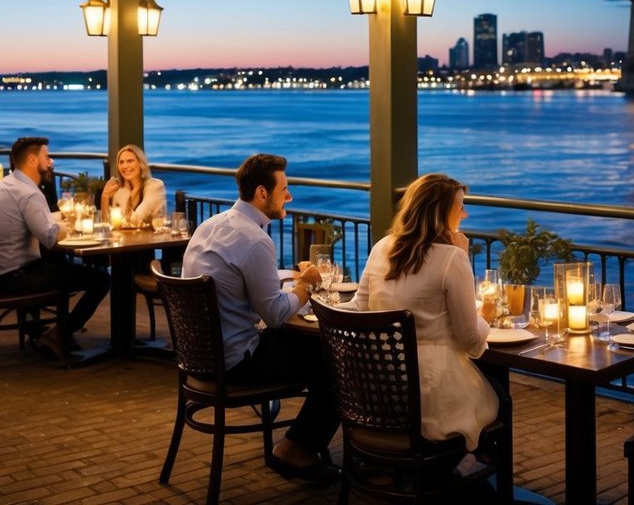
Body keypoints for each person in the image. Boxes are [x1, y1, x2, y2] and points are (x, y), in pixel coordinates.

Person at [182, 153, 339, 484]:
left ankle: (301, 443)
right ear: (262, 193)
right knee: (338, 362)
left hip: (200, 356)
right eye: (284, 189)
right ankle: (295, 451)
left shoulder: (209, 227)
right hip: (236, 362)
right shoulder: (253, 239)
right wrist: (306, 285)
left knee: (315, 350)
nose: (290, 196)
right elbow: (277, 314)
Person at [347, 172, 502, 455]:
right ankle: (459, 477)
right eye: (461, 207)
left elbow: (359, 308)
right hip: (430, 392)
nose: (465, 215)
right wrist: (485, 316)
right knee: (500, 398)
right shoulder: (452, 259)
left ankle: (432, 473)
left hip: (379, 389)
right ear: (441, 214)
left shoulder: (382, 247)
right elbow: (470, 340)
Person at [0, 136, 111, 356]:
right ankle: (57, 335)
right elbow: (50, 238)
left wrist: (62, 216)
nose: (50, 161)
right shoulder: (29, 193)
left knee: (64, 269)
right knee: (100, 279)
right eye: (46, 156)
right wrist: (72, 224)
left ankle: (54, 333)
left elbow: (37, 221)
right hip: (14, 277)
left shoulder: (6, 185)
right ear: (32, 160)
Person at [100, 144, 167, 226]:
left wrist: (119, 224)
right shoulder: (120, 192)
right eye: (121, 162)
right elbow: (108, 226)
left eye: (130, 161)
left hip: (155, 238)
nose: (125, 166)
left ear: (140, 163)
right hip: (127, 238)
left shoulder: (155, 186)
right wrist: (105, 197)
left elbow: (138, 217)